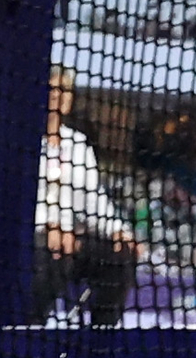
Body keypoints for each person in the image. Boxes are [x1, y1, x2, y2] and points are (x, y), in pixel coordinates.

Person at [34, 68, 138, 327]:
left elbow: (95, 202)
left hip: (73, 240)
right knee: (48, 251)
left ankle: (102, 336)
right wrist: (51, 226)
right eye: (51, 90)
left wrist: (118, 231)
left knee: (119, 255)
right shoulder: (22, 140)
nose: (57, 97)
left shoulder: (78, 144)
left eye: (64, 91)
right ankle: (31, 327)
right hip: (33, 237)